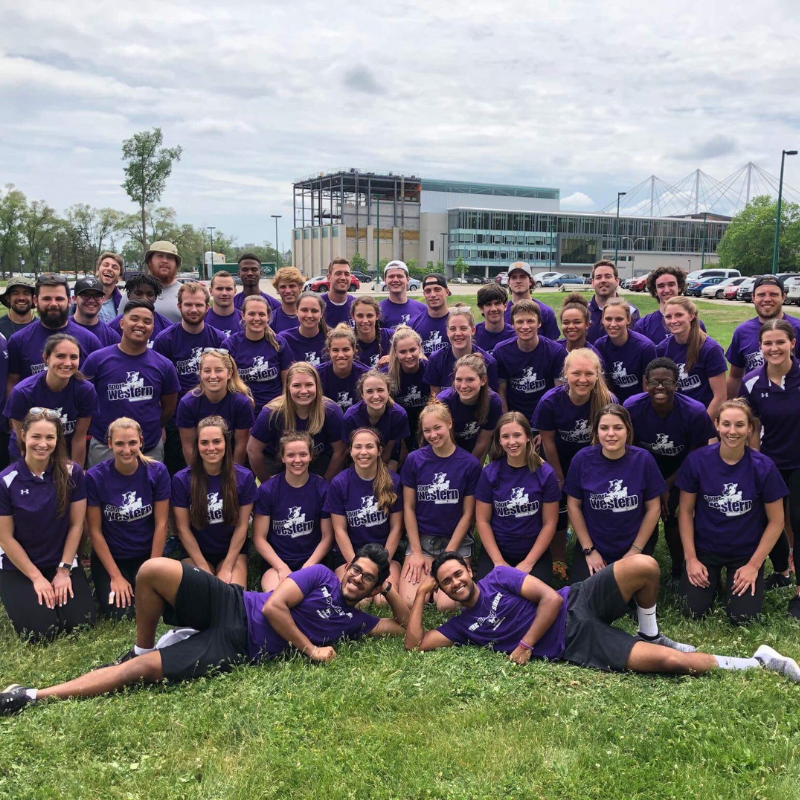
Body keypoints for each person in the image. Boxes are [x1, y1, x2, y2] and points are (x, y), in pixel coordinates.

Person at [0, 544, 410, 714]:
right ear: (347, 566)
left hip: (237, 646)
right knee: (153, 569)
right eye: (356, 569)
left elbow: (406, 628)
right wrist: (310, 649)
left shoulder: (357, 622)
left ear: (373, 587)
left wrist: (391, 591)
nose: (356, 578)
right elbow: (274, 608)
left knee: (140, 674)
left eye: (367, 578)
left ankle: (31, 696)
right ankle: (143, 646)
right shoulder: (319, 575)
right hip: (233, 603)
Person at [403, 551, 800, 685]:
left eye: (457, 574)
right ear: (442, 590)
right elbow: (415, 644)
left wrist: (525, 645)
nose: (455, 583)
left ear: (469, 570)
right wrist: (420, 594)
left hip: (575, 600)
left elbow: (550, 600)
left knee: (644, 565)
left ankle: (651, 631)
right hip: (574, 642)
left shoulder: (499, 577)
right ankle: (759, 661)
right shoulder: (461, 627)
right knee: (672, 663)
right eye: (446, 582)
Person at [676, 399, 788, 623]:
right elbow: (686, 512)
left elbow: (777, 521)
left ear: (750, 428)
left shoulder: (763, 467)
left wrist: (754, 566)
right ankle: (713, 581)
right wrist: (691, 559)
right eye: (726, 424)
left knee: (743, 617)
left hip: (744, 552)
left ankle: (732, 581)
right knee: (692, 610)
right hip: (705, 548)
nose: (732, 431)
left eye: (739, 425)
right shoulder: (697, 461)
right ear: (717, 425)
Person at [0, 409, 94, 641]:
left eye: (49, 437)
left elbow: (76, 525)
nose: (43, 444)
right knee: (41, 633)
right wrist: (36, 578)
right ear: (23, 435)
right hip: (19, 565)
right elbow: (5, 537)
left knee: (81, 624)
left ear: (57, 439)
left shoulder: (73, 473)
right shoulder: (6, 480)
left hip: (60, 560)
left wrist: (63, 571)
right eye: (36, 436)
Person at [623, 357, 717, 583]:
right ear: (646, 384)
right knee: (640, 511)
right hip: (643, 472)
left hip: (682, 473)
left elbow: (697, 456)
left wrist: (666, 487)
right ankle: (639, 562)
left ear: (676, 384)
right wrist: (655, 487)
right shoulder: (632, 408)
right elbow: (629, 452)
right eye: (653, 382)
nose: (660, 387)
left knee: (674, 513)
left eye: (666, 382)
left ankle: (678, 568)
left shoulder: (694, 411)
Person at [534, 349, 616, 577]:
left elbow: (609, 441)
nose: (582, 379)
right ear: (565, 374)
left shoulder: (608, 400)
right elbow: (548, 442)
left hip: (594, 461)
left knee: (593, 504)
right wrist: (559, 476)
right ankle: (559, 557)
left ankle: (596, 546)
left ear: (598, 375)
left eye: (589, 374)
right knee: (559, 508)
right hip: (559, 459)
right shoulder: (550, 401)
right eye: (576, 373)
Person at [564, 404, 667, 583]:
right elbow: (573, 505)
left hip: (633, 544)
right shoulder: (582, 459)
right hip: (595, 545)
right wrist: (589, 550)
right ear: (596, 432)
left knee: (630, 596)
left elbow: (654, 508)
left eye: (618, 427)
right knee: (583, 595)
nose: (611, 434)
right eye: (604, 428)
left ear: (628, 430)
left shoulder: (643, 460)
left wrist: (635, 550)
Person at [738, 319, 800, 614]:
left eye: (780, 342)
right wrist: (755, 462)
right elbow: (752, 426)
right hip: (770, 462)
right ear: (760, 347)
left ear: (792, 344)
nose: (774, 348)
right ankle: (782, 572)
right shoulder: (751, 381)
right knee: (765, 518)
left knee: (797, 520)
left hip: (799, 462)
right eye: (767, 343)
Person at [86, 417, 170, 620]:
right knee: (120, 614)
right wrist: (115, 576)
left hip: (146, 554)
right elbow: (95, 531)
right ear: (109, 444)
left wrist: (152, 570)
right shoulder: (95, 477)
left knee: (156, 605)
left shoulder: (157, 472)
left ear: (141, 441)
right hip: (113, 556)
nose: (126, 450)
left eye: (132, 442)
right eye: (119, 444)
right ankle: (103, 582)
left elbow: (161, 525)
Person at [399, 401, 481, 610]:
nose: (433, 435)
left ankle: (460, 569)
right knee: (409, 601)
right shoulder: (414, 460)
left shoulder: (469, 464)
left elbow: (468, 514)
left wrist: (449, 554)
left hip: (456, 542)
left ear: (450, 423)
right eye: (427, 430)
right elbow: (408, 507)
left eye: (438, 428)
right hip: (423, 542)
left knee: (448, 605)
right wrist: (416, 551)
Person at [81, 301, 180, 466]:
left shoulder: (164, 365)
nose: (140, 325)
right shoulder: (97, 360)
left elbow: (169, 408)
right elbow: (84, 400)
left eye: (147, 321)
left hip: (149, 448)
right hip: (105, 447)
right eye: (134, 319)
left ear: (153, 328)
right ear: (122, 323)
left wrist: (154, 427)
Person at [172, 416, 257, 589]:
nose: (211, 448)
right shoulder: (182, 480)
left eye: (217, 441)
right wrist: (203, 567)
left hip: (232, 551)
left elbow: (242, 526)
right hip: (196, 552)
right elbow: (183, 529)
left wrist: (227, 567)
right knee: (202, 593)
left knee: (232, 594)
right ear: (197, 445)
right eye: (204, 442)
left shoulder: (244, 477)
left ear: (226, 443)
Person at [475, 412, 560, 583]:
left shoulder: (545, 473)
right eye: (505, 436)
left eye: (517, 435)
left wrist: (528, 563)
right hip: (498, 550)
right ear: (499, 440)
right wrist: (498, 562)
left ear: (528, 437)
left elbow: (549, 523)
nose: (511, 442)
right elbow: (482, 520)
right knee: (487, 594)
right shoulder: (490, 473)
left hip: (534, 551)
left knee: (535, 595)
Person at [324, 428, 403, 602]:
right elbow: (339, 530)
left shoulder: (393, 481)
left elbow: (397, 527)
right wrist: (356, 566)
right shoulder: (339, 483)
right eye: (358, 447)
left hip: (384, 552)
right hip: (350, 554)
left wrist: (382, 563)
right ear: (350, 451)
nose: (363, 452)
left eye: (369, 446)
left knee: (382, 601)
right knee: (359, 600)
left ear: (379, 451)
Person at [253, 432, 333, 591]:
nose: (297, 460)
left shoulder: (323, 489)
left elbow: (327, 537)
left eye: (303, 454)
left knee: (316, 600)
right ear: (282, 458)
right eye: (290, 455)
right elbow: (259, 538)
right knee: (277, 596)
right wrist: (281, 567)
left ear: (311, 456)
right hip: (277, 563)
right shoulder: (268, 490)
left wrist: (308, 567)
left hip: (312, 562)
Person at [4, 334, 97, 468]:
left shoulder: (85, 391)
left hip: (64, 454)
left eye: (73, 357)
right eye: (60, 356)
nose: (67, 363)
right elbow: (22, 439)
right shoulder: (23, 392)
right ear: (46, 358)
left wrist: (76, 472)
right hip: (27, 452)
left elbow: (79, 438)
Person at [247, 362, 346, 483]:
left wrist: (326, 483)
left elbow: (340, 451)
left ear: (317, 386)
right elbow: (253, 450)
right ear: (288, 387)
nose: (303, 391)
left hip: (317, 462)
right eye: (297, 385)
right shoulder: (272, 412)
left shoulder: (331, 411)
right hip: (278, 462)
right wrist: (268, 483)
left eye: (309, 384)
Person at [6, 275, 101, 390]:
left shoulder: (90, 340)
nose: (53, 304)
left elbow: (98, 384)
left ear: (69, 301)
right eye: (47, 299)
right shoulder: (18, 341)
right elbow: (12, 382)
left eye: (59, 299)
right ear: (35, 301)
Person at [726, 274, 800, 397]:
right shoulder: (742, 331)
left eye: (773, 294)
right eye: (761, 295)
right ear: (753, 298)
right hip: (756, 402)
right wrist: (729, 404)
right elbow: (735, 377)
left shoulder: (797, 328)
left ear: (783, 297)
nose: (767, 299)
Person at [176, 350, 255, 465]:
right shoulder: (187, 403)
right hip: (201, 463)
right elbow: (189, 446)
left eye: (218, 370)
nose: (213, 376)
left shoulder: (241, 403)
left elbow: (241, 445)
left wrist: (234, 473)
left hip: (231, 462)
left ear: (229, 373)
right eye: (207, 370)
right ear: (200, 373)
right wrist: (196, 473)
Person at [494, 299, 567, 421]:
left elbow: (559, 393)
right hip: (515, 418)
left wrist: (550, 425)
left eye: (530, 321)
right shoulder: (501, 351)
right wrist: (506, 422)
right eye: (520, 322)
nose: (525, 326)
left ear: (539, 323)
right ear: (512, 324)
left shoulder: (556, 351)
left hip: (546, 417)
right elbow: (501, 391)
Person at [657, 297, 726, 419]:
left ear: (691, 316)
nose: (673, 321)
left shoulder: (710, 349)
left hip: (703, 416)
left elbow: (720, 396)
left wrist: (703, 425)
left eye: (679, 315)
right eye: (668, 317)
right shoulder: (662, 349)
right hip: (675, 417)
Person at [226, 295, 290, 408]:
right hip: (242, 408)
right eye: (251, 314)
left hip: (274, 408)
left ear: (268, 316)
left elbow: (287, 382)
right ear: (243, 315)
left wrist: (281, 405)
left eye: (261, 314)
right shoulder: (230, 345)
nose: (256, 318)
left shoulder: (279, 343)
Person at [437, 353, 502, 462]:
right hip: (447, 451)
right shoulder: (443, 402)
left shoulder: (493, 402)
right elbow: (441, 440)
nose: (463, 386)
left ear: (483, 380)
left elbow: (483, 441)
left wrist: (470, 464)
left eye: (470, 379)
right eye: (459, 379)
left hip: (475, 450)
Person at [423, 305, 499, 394]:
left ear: (473, 330)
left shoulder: (488, 362)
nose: (458, 333)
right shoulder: (436, 359)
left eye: (463, 328)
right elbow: (435, 398)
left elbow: (490, 397)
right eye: (452, 329)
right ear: (447, 332)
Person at [342, 370, 409, 470]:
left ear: (388, 391)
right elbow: (348, 451)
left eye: (380, 390)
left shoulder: (398, 414)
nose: (376, 396)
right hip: (360, 458)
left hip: (388, 457)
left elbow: (389, 451)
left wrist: (378, 473)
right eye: (369, 391)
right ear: (362, 394)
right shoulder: (351, 417)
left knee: (390, 476)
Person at [594, 298, 657, 403]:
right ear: (602, 320)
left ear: (628, 320)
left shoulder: (645, 347)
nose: (613, 324)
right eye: (608, 319)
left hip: (637, 404)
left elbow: (647, 389)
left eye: (619, 319)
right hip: (611, 404)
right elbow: (602, 385)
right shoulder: (600, 346)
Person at [384, 325, 431, 455]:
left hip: (426, 426)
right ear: (395, 352)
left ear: (419, 348)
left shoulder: (429, 369)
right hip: (400, 428)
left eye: (412, 350)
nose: (409, 356)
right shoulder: (387, 374)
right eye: (403, 352)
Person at [634, 266, 706, 345]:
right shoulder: (643, 326)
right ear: (655, 291)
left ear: (679, 287)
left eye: (671, 284)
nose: (667, 290)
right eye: (661, 286)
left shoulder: (695, 323)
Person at [120, 241, 182, 324]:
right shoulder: (133, 292)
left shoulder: (185, 293)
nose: (165, 261)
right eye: (160, 256)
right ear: (149, 261)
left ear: (176, 264)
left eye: (170, 257)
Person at [316, 324, 369, 412]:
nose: (340, 355)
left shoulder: (366, 375)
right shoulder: (317, 375)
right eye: (335, 350)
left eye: (345, 349)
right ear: (329, 351)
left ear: (354, 349)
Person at [109, 274, 172, 345]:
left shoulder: (167, 327)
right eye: (138, 293)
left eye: (149, 294)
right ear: (129, 296)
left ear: (155, 298)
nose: (144, 299)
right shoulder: (111, 328)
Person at [586, 260, 640, 344]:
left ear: (617, 281)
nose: (603, 280)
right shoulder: (584, 311)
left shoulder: (631, 311)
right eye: (598, 277)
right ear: (592, 282)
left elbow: (636, 343)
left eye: (608, 276)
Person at [503, 261, 560, 340]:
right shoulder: (502, 312)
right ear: (509, 282)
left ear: (530, 281)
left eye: (522, 277)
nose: (518, 281)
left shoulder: (546, 312)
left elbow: (552, 343)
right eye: (514, 277)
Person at [277, 291, 329, 367]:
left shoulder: (330, 338)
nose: (309, 315)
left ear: (321, 313)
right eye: (304, 310)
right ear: (296, 311)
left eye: (314, 311)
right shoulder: (284, 339)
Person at [70, 276, 122, 347]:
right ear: (74, 299)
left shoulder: (112, 337)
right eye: (85, 295)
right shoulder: (62, 329)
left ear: (102, 299)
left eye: (97, 296)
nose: (91, 300)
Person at [557, 293, 605, 365]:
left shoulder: (594, 356)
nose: (571, 326)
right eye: (566, 323)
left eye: (577, 322)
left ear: (587, 324)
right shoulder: (554, 350)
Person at [411, 273, 451, 357]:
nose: (432, 295)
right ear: (424, 294)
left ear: (447, 292)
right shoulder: (413, 325)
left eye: (437, 289)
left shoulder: (457, 324)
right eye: (428, 291)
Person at [379, 260, 426, 327]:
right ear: (385, 280)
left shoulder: (423, 310)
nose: (395, 280)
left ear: (408, 279)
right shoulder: (377, 311)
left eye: (400, 276)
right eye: (391, 276)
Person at [352, 296, 394, 368]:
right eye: (360, 316)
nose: (365, 320)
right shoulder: (347, 341)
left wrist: (394, 357)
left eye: (369, 315)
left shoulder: (390, 336)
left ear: (377, 316)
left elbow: (413, 352)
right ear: (353, 316)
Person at [475, 284, 515, 352]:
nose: (493, 309)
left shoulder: (514, 336)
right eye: (488, 304)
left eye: (497, 303)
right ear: (481, 308)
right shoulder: (473, 334)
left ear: (505, 306)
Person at [205, 270, 242, 338]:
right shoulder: (202, 320)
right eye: (219, 289)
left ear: (235, 291)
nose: (224, 293)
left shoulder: (245, 320)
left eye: (228, 289)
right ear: (211, 291)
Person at [320, 257, 356, 327]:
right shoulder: (317, 305)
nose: (343, 278)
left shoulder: (356, 305)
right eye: (338, 273)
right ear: (329, 278)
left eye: (346, 274)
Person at [0, 276, 36, 340]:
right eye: (15, 293)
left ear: (33, 298)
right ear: (8, 298)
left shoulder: (43, 327)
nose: (21, 298)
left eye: (26, 293)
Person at [271, 266, 303, 333]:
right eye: (283, 287)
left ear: (300, 287)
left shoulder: (310, 317)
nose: (288, 291)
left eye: (292, 286)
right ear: (277, 289)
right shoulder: (271, 319)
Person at [94, 252, 124, 323]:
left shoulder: (123, 305)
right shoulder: (79, 297)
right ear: (97, 271)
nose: (109, 269)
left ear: (119, 278)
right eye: (106, 265)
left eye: (115, 267)